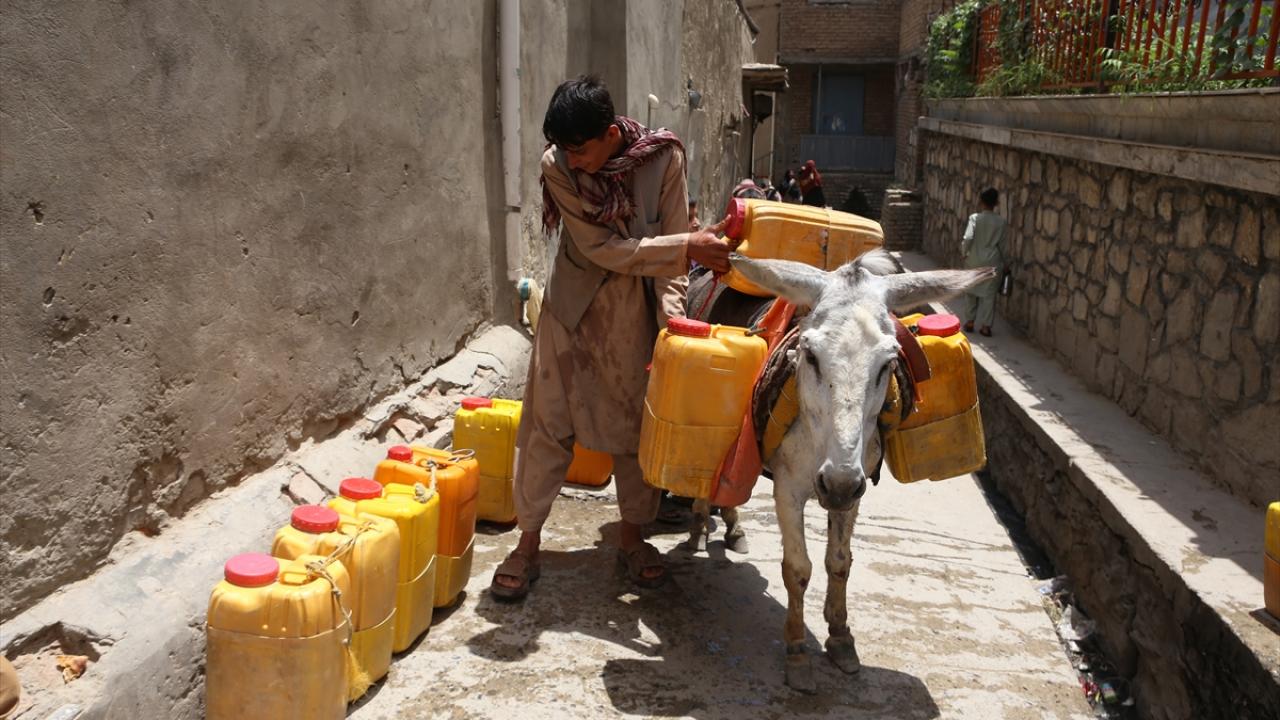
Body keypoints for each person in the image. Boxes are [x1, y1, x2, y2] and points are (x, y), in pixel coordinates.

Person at [490, 76, 731, 601]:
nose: (574, 162)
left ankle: (632, 539)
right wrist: (685, 246)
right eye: (565, 151)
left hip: (633, 316)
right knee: (546, 425)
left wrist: (673, 325)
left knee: (636, 433)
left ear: (609, 132)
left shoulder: (663, 158)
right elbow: (602, 247)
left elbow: (671, 262)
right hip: (571, 311)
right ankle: (527, 544)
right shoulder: (557, 167)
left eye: (581, 149)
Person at [961, 187, 1007, 337]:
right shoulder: (1001, 222)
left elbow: (968, 238)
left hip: (974, 259)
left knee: (971, 292)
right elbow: (1003, 246)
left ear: (981, 201)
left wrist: (964, 253)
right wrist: (1005, 263)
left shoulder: (974, 218)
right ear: (997, 203)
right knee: (989, 295)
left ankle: (969, 322)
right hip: (992, 261)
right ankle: (986, 326)